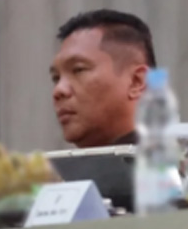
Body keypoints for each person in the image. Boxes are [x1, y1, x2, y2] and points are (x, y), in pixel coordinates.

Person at [50, 9, 157, 148]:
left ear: (136, 82)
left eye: (78, 70)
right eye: (56, 78)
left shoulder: (173, 160)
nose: (58, 90)